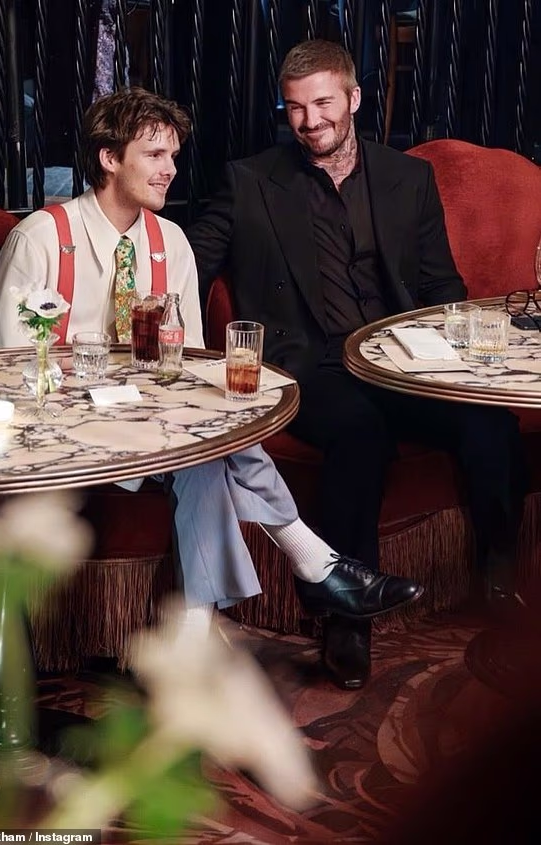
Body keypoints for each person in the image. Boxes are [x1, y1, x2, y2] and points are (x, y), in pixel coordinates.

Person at [0, 87, 422, 678]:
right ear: (110, 159)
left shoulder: (171, 243)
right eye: (155, 155)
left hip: (147, 428)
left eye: (174, 156)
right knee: (207, 454)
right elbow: (0, 370)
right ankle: (313, 564)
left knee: (208, 451)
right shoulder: (38, 236)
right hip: (61, 434)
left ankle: (195, 636)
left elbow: (182, 362)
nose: (171, 170)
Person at [187, 40, 528, 689]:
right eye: (295, 108)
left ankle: (499, 581)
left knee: (490, 422)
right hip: (309, 365)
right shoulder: (250, 180)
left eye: (322, 103)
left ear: (353, 99)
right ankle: (347, 619)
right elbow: (187, 265)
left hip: (400, 359)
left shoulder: (407, 178)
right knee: (359, 434)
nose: (310, 121)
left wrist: (452, 357)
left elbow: (441, 286)